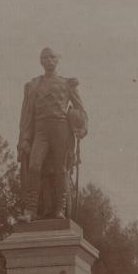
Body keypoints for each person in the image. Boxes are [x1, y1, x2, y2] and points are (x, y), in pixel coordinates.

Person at [18, 48, 87, 221]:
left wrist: (81, 128)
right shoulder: (34, 85)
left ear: (57, 61)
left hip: (60, 128)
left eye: (52, 57)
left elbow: (80, 109)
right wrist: (25, 138)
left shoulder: (67, 84)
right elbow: (27, 114)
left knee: (60, 169)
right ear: (41, 61)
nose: (49, 60)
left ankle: (59, 210)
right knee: (34, 166)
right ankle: (30, 210)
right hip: (40, 129)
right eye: (45, 57)